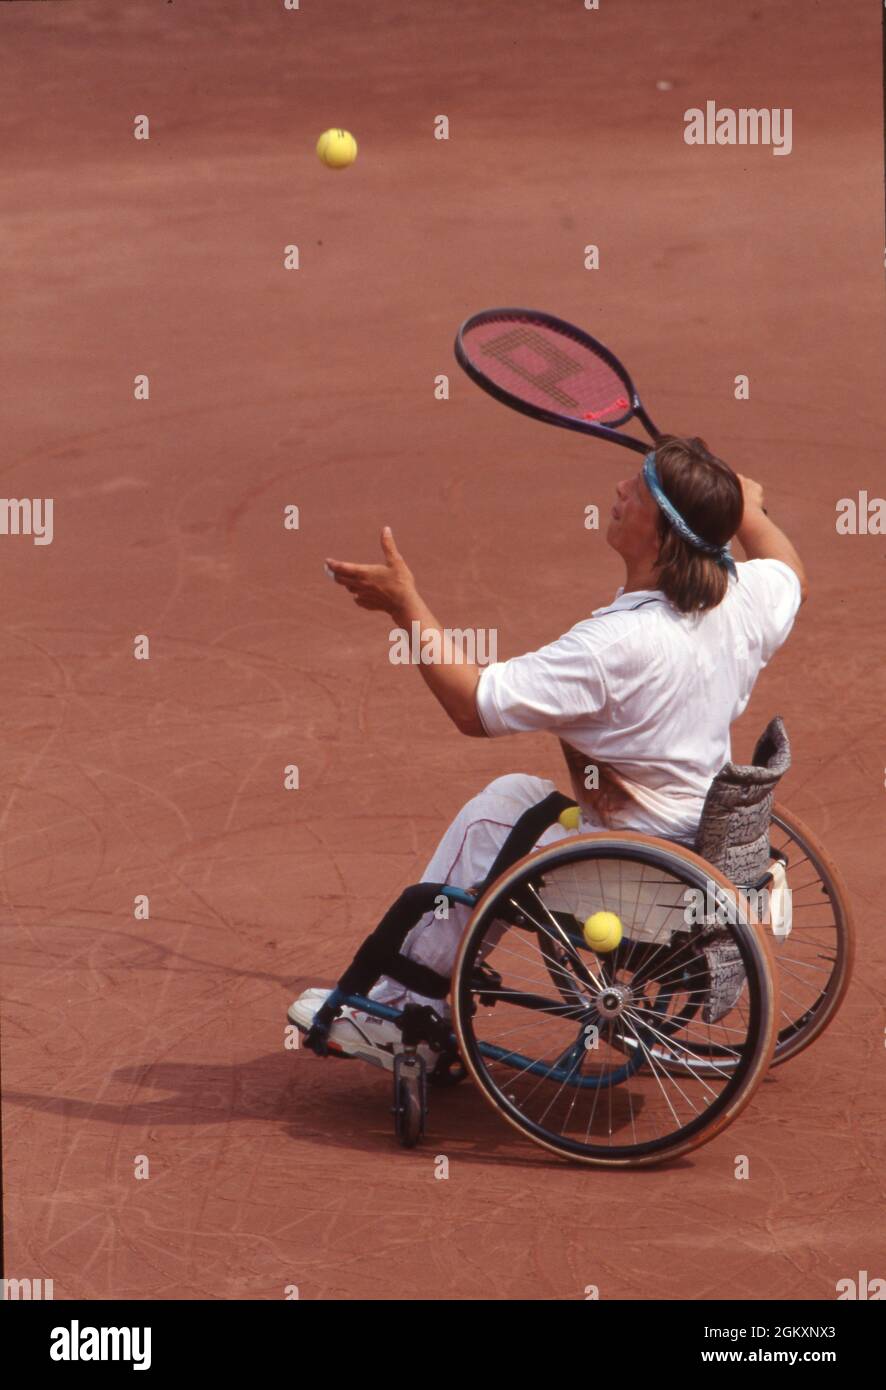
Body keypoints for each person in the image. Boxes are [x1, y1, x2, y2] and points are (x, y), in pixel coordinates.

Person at [289, 436, 806, 1068]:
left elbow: (471, 705)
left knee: (487, 825)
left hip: (632, 864)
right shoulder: (738, 600)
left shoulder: (614, 645)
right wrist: (748, 512)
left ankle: (401, 1010)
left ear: (665, 536)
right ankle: (429, 985)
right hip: (698, 839)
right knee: (512, 799)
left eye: (638, 491)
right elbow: (788, 570)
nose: (619, 491)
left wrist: (406, 605)